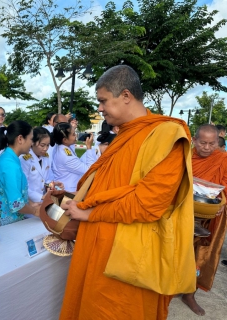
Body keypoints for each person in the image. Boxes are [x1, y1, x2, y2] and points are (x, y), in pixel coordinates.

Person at [59, 65, 195, 319]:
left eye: (102, 101)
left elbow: (148, 204)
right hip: (94, 245)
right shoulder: (123, 135)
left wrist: (90, 214)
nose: (99, 108)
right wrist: (78, 203)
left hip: (127, 258)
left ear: (125, 96)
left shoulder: (165, 136)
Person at [182, 124, 227, 316]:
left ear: (218, 142)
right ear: (194, 141)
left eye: (211, 143)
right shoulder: (184, 157)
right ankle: (166, 288)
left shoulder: (223, 159)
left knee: (201, 253)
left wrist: (222, 203)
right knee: (176, 251)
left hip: (211, 215)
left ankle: (190, 293)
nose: (207, 147)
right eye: (203, 143)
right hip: (183, 211)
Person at [0, 120, 40, 227]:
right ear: (20, 139)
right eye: (31, 139)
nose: (32, 143)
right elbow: (16, 204)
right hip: (0, 224)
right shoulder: (10, 164)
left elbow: (14, 191)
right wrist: (35, 211)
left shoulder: (9, 157)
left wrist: (32, 204)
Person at [20, 127, 63, 206]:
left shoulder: (45, 157)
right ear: (32, 142)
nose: (45, 148)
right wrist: (41, 197)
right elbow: (22, 186)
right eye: (42, 145)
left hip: (43, 201)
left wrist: (53, 186)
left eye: (48, 145)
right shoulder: (24, 159)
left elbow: (47, 179)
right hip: (29, 203)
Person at [52, 122, 88, 192]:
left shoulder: (62, 146)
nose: (76, 136)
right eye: (73, 134)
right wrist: (89, 149)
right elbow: (88, 170)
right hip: (69, 191)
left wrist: (72, 127)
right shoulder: (66, 156)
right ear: (65, 140)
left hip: (65, 188)